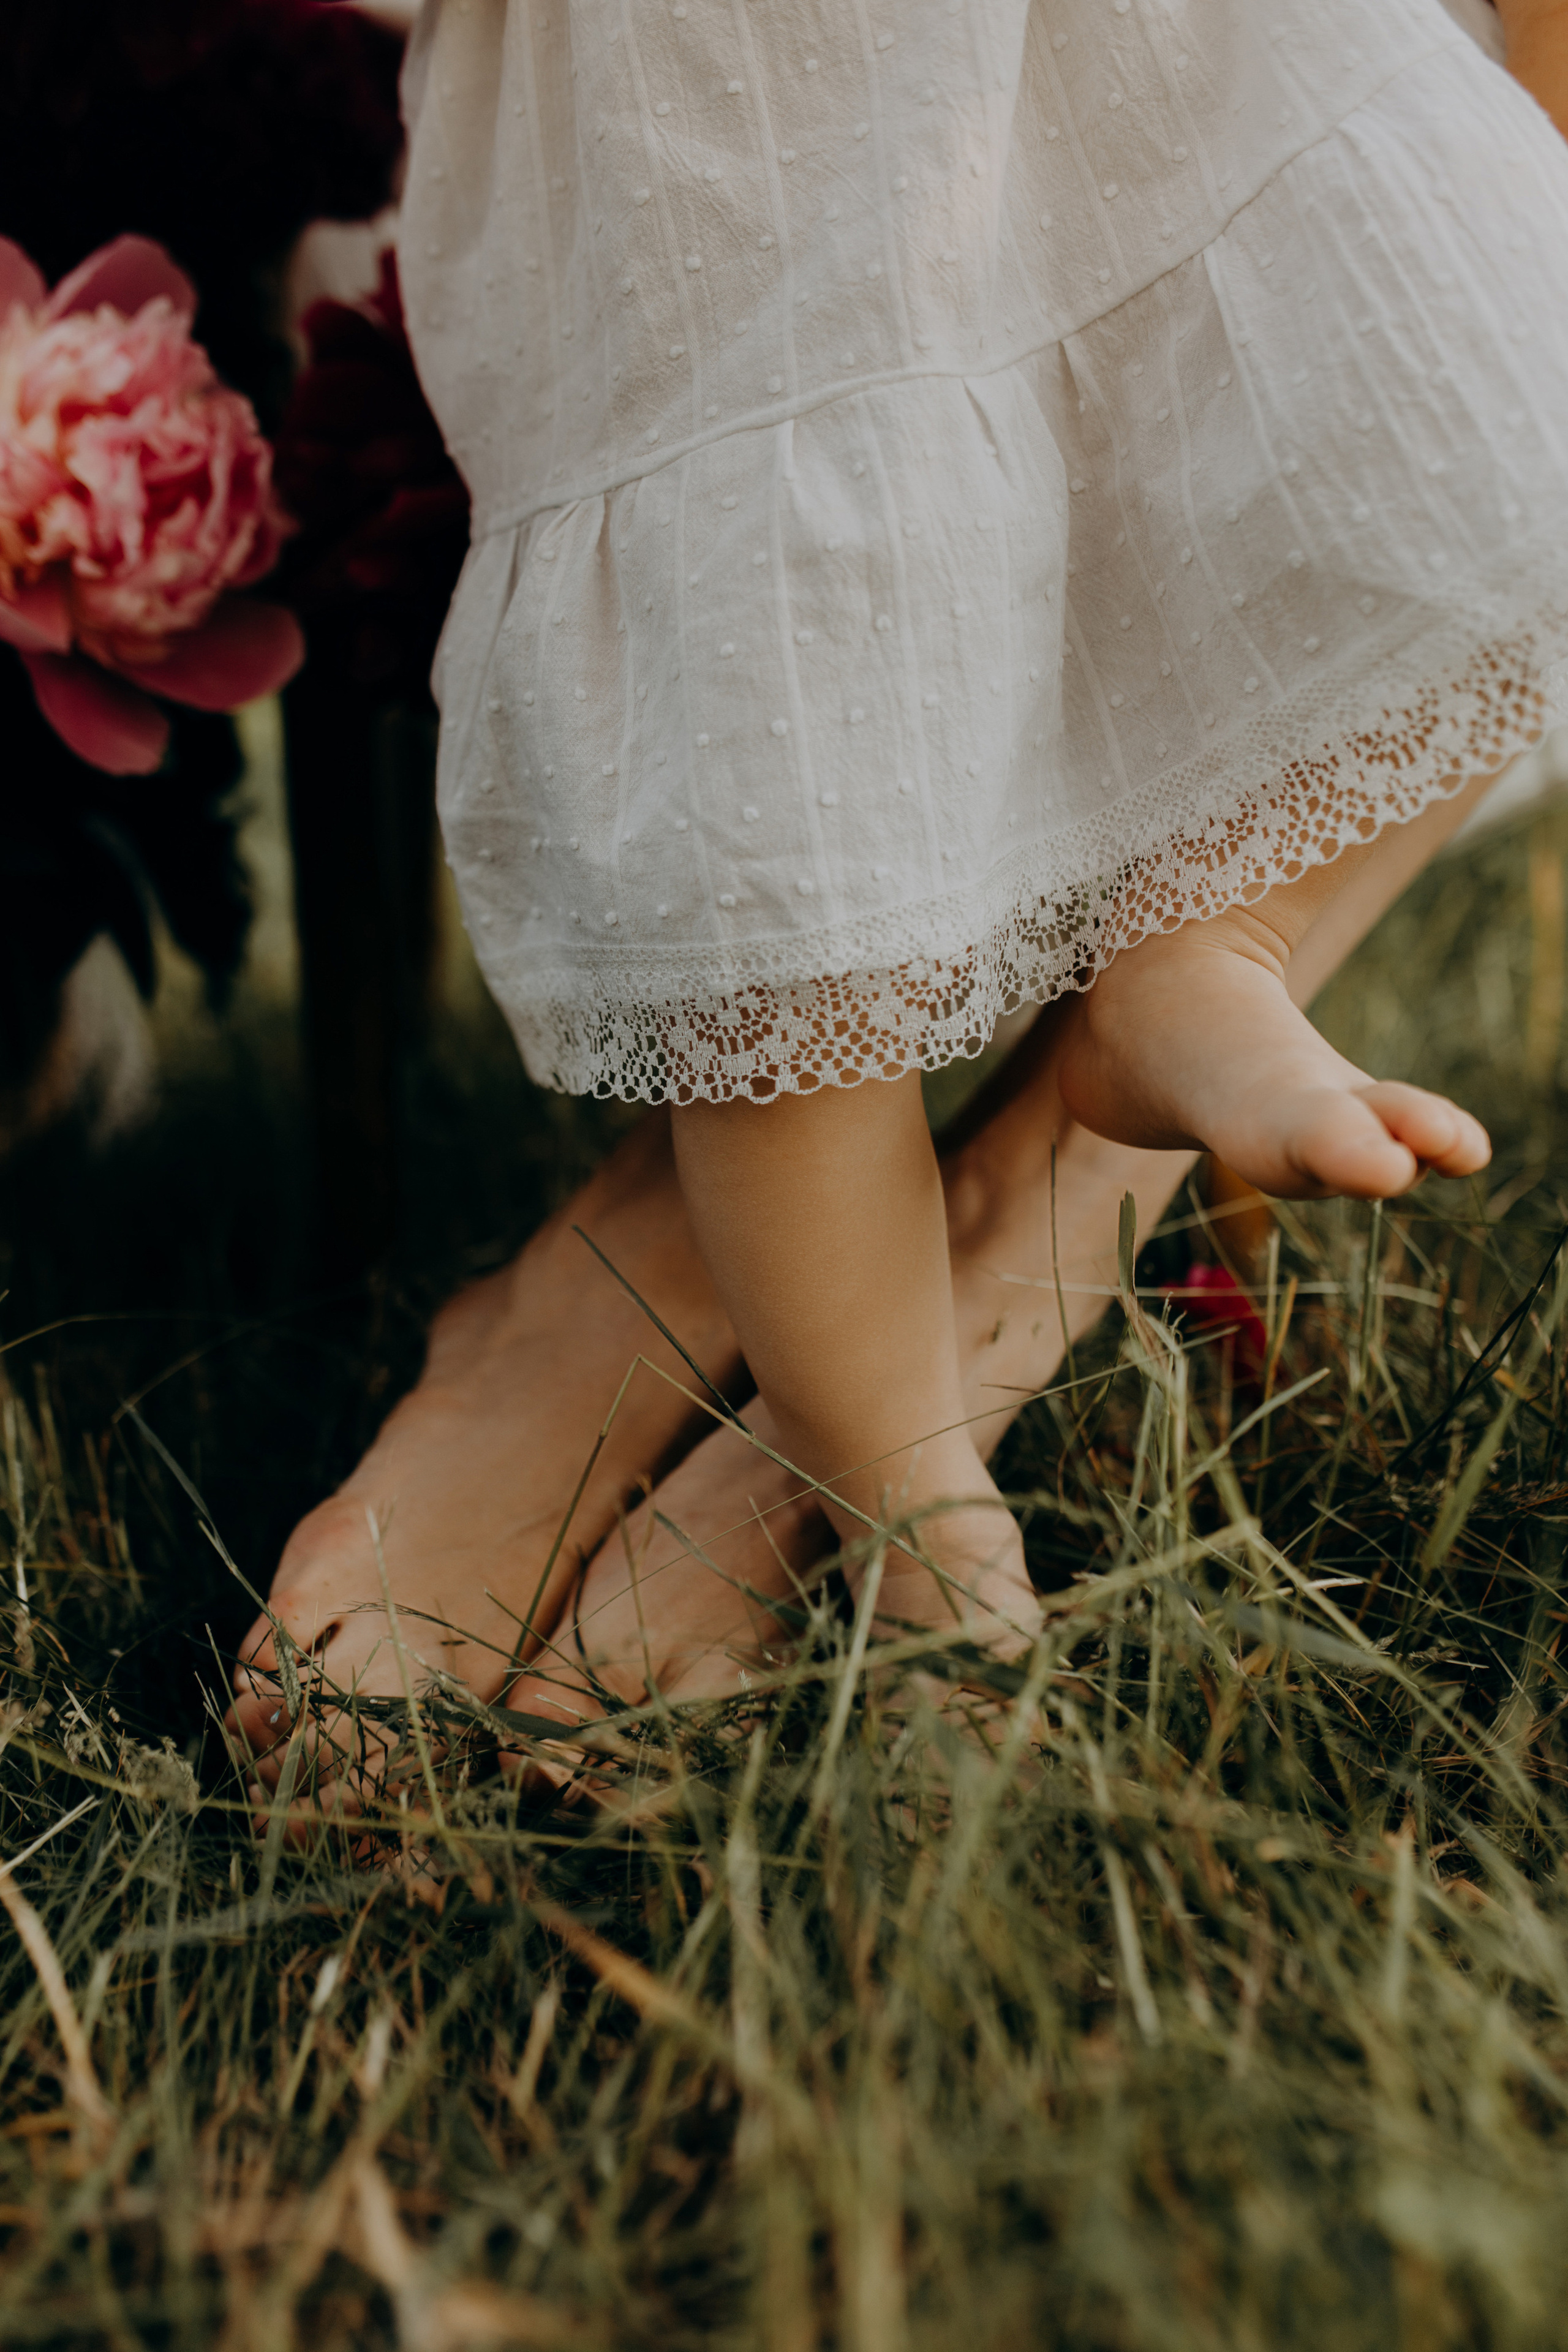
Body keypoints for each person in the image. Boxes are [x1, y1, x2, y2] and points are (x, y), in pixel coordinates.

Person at [230, 0, 1568, 1809]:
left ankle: (1197, 955)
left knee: (1486, 421)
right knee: (791, 898)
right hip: (734, 193)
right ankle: (908, 1493)